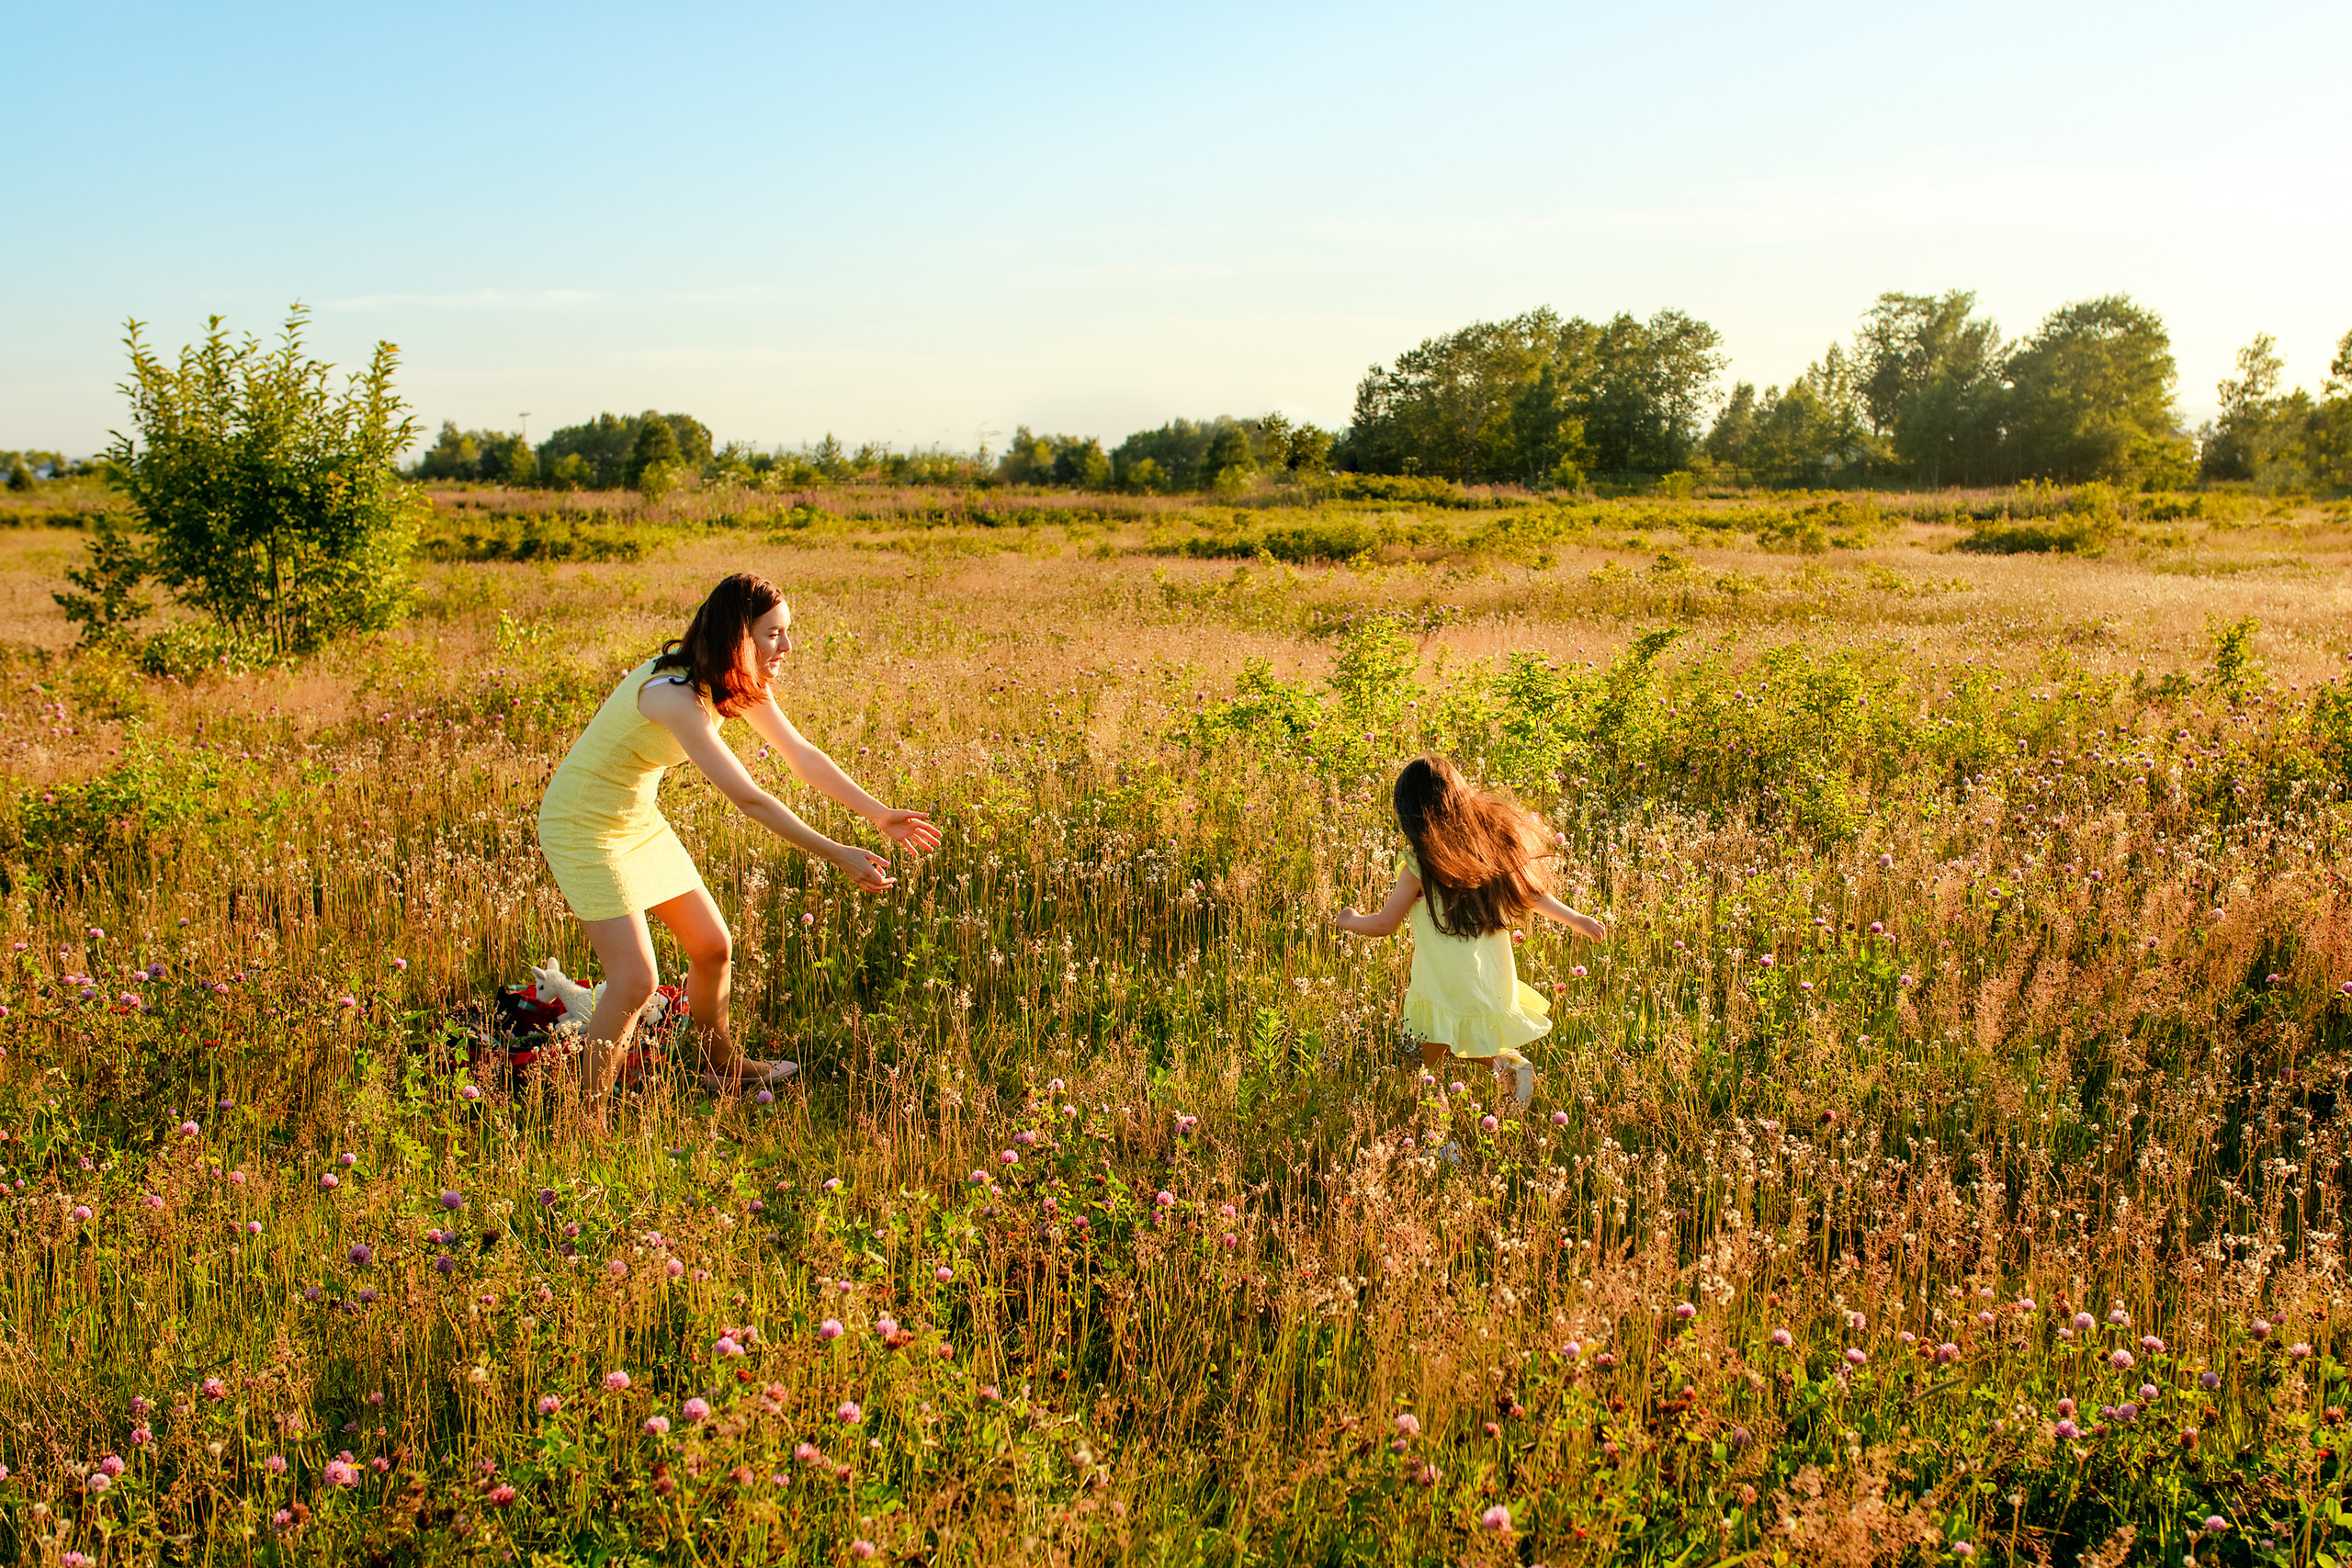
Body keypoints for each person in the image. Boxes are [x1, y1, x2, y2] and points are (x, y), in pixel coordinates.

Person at [536, 571, 940, 1115]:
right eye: (773, 634)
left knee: (712, 947)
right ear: (738, 635)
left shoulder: (732, 682)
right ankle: (584, 1119)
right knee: (635, 980)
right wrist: (837, 852)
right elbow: (749, 799)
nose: (787, 647)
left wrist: (879, 813)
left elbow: (802, 756)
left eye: (786, 632)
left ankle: (719, 1067)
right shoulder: (673, 695)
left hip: (633, 817)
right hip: (582, 825)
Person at [1333, 754, 1605, 1107]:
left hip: (1441, 984)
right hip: (1484, 977)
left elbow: (1385, 924)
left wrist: (1350, 919)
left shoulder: (1418, 866)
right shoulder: (1485, 849)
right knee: (1458, 1041)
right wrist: (1578, 919)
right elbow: (1532, 894)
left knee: (1421, 1063)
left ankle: (1436, 1137)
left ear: (1411, 816)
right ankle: (1508, 1066)